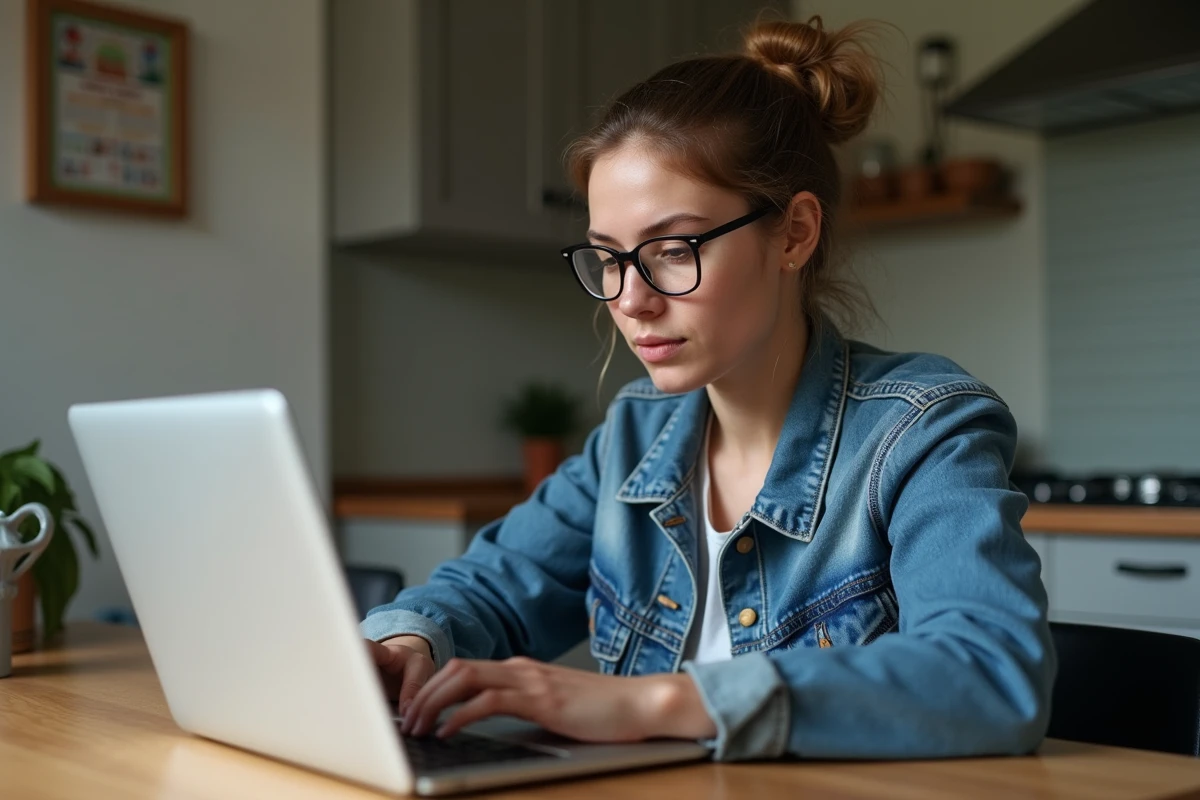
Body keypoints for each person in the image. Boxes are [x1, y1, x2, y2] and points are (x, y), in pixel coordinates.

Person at [362, 16, 1055, 762]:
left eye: (671, 250)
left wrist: (659, 701)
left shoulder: (922, 430)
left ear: (794, 233)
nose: (630, 300)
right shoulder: (635, 438)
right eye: (608, 259)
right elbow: (492, 590)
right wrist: (405, 642)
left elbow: (989, 676)